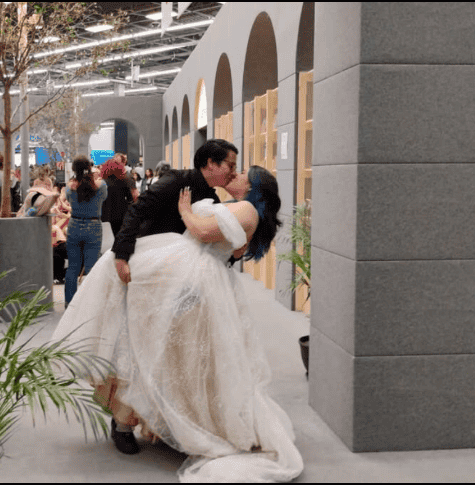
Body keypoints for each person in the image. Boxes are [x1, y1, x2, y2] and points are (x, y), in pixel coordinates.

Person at [51, 165, 303, 481]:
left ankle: (145, 423)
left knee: (161, 352)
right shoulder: (235, 205)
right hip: (191, 283)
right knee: (166, 354)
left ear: (252, 187)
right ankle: (138, 422)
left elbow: (203, 232)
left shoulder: (246, 208)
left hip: (193, 285)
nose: (234, 176)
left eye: (241, 175)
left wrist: (186, 211)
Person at [112, 139, 237, 285]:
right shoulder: (177, 180)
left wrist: (234, 255)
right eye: (231, 166)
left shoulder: (212, 198)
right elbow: (137, 209)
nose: (234, 173)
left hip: (182, 275)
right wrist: (121, 255)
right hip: (151, 264)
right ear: (211, 163)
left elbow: (214, 243)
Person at [63, 155, 107, 306]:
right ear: (89, 167)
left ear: (74, 169)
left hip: (74, 224)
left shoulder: (70, 187)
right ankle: (90, 303)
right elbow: (104, 195)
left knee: (73, 267)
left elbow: (68, 199)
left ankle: (69, 303)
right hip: (93, 226)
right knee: (91, 267)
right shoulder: (100, 186)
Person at [100, 156, 135, 237]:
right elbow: (130, 199)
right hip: (121, 214)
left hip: (105, 215)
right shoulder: (123, 181)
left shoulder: (103, 183)